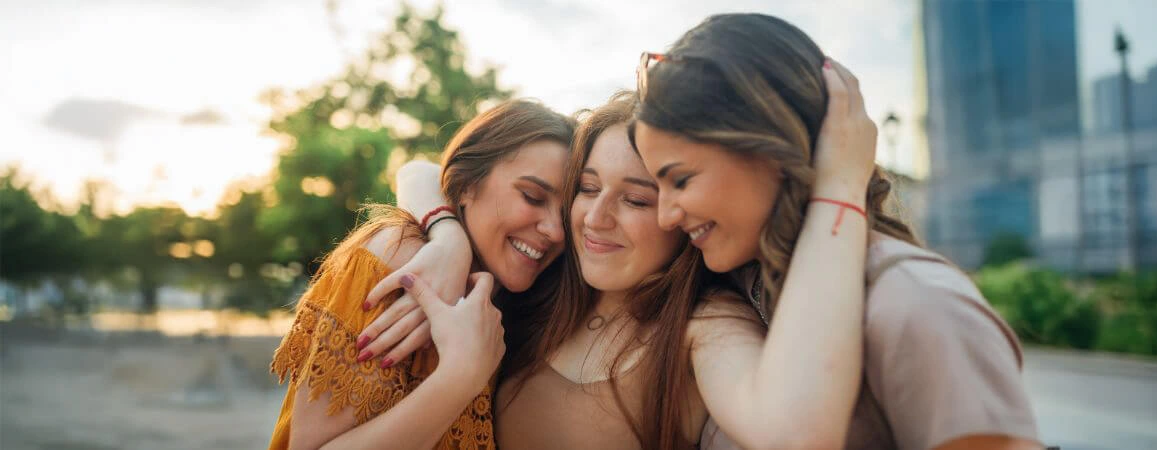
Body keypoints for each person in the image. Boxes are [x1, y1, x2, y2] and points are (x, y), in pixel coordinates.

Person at [370, 80, 874, 448]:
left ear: (683, 214)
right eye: (586, 189)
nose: (596, 218)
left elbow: (796, 434)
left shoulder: (702, 325)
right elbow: (420, 171)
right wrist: (449, 235)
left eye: (635, 200)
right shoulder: (537, 290)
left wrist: (841, 189)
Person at [633, 13, 1042, 450]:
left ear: (771, 148)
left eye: (680, 180)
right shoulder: (742, 291)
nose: (666, 217)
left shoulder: (917, 305)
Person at [266, 99, 574, 450]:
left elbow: (420, 172)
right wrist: (461, 376)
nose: (555, 231)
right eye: (533, 197)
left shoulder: (514, 299)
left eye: (566, 215)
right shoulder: (397, 260)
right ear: (468, 185)